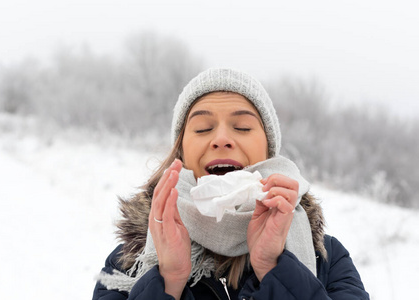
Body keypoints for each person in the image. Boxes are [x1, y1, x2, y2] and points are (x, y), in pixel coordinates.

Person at [92, 68, 369, 300]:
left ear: (268, 151)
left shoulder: (328, 259)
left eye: (242, 128)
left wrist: (275, 268)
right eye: (202, 129)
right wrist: (167, 280)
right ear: (182, 153)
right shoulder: (127, 262)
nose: (222, 138)